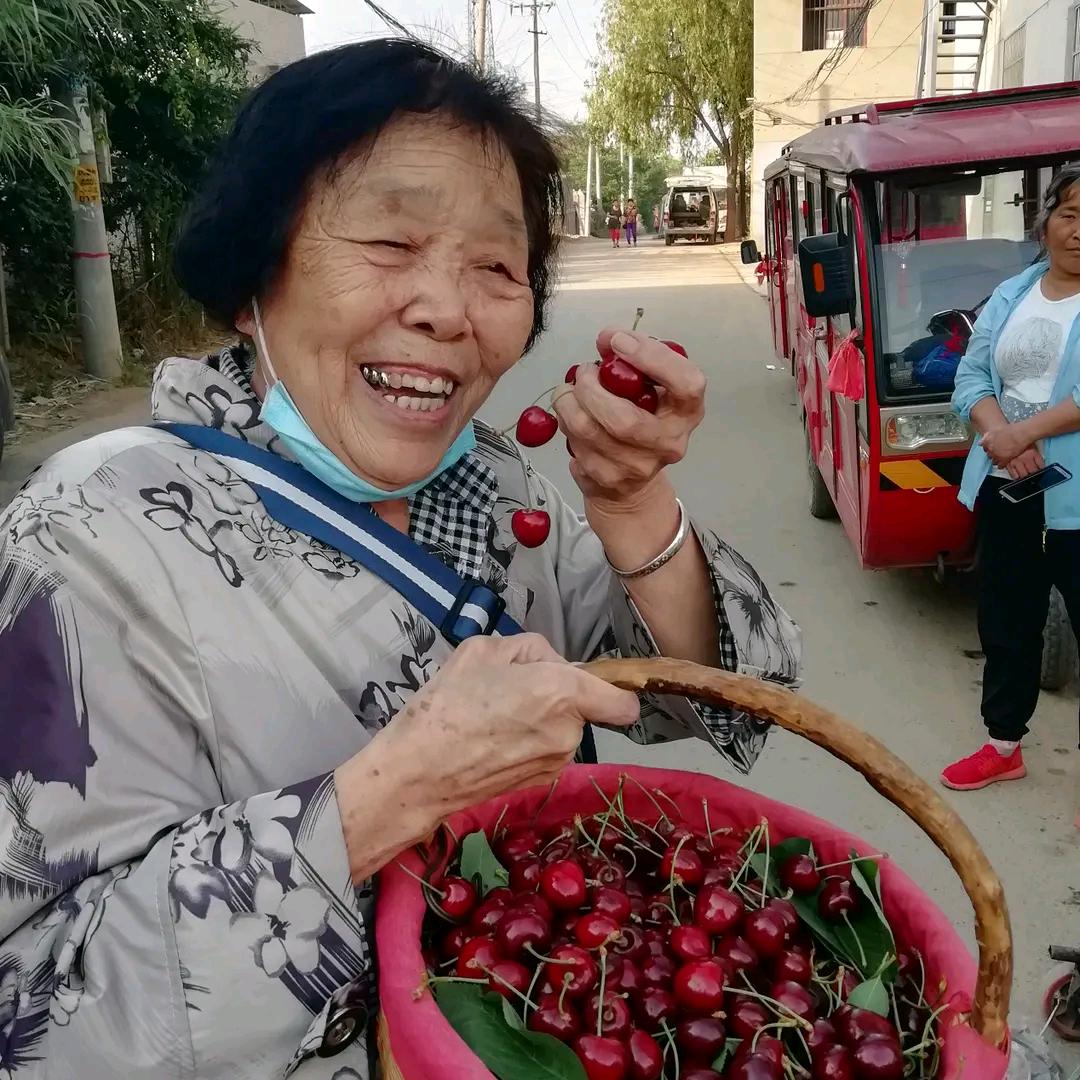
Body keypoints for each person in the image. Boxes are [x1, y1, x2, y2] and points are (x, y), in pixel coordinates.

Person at [0, 40, 800, 1079]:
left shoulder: (498, 490)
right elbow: (37, 1018)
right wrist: (385, 797)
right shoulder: (84, 539)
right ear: (255, 277)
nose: (448, 309)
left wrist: (635, 505)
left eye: (498, 268)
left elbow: (718, 698)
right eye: (389, 242)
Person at [944, 163, 1080, 792]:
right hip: (1008, 485)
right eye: (1070, 215)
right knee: (1006, 618)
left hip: (1073, 496)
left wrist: (1024, 434)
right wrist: (999, 433)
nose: (1078, 232)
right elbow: (970, 376)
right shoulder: (1012, 293)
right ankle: (1003, 744)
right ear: (1046, 222)